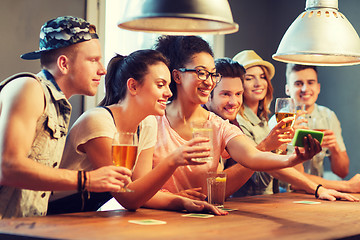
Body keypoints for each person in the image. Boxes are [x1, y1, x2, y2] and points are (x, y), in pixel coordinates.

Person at [48, 50, 226, 216]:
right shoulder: (97, 122)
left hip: (86, 215)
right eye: (160, 85)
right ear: (133, 86)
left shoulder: (147, 124)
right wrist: (173, 160)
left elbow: (138, 191)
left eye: (168, 85)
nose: (169, 93)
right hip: (56, 214)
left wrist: (182, 201)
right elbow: (127, 197)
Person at [150, 35, 322, 202]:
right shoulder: (152, 120)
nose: (209, 82)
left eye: (212, 74)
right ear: (177, 76)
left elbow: (252, 157)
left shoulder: (219, 126)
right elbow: (133, 189)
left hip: (201, 220)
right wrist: (170, 199)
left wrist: (293, 159)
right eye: (201, 73)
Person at [0, 16, 135, 219]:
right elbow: (8, 167)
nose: (103, 69)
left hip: (25, 228)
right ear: (63, 64)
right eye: (93, 60)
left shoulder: (57, 104)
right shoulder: (30, 88)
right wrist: (86, 179)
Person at [205, 55, 358, 201]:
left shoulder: (232, 125)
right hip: (240, 205)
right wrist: (269, 147)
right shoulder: (208, 125)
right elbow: (213, 189)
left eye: (238, 94)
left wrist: (318, 188)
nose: (233, 101)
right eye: (225, 94)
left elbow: (267, 163)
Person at [269, 64, 349, 180]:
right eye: (298, 83)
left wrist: (334, 147)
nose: (305, 89)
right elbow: (283, 175)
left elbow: (342, 172)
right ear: (288, 89)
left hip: (318, 192)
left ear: (318, 87)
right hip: (286, 193)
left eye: (310, 82)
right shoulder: (279, 121)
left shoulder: (328, 116)